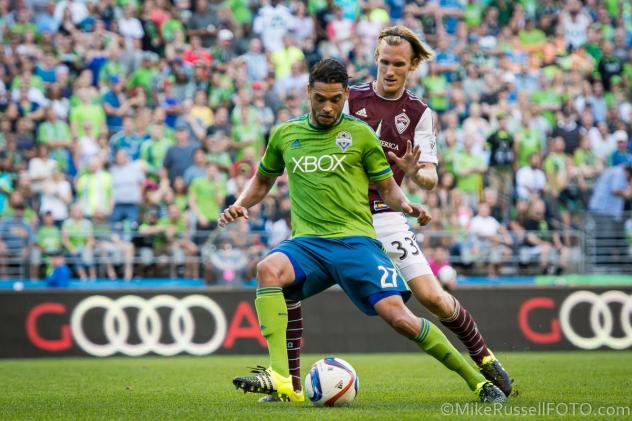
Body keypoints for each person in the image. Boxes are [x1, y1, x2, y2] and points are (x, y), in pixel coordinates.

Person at [220, 59, 506, 404]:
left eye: (336, 100)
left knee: (401, 319)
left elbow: (387, 188)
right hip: (308, 244)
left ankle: (477, 380)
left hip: (356, 243)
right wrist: (240, 203)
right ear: (308, 92)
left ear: (345, 96)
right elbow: (263, 179)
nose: (327, 107)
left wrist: (407, 205)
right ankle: (282, 379)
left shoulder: (360, 134)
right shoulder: (285, 134)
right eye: (320, 98)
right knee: (267, 270)